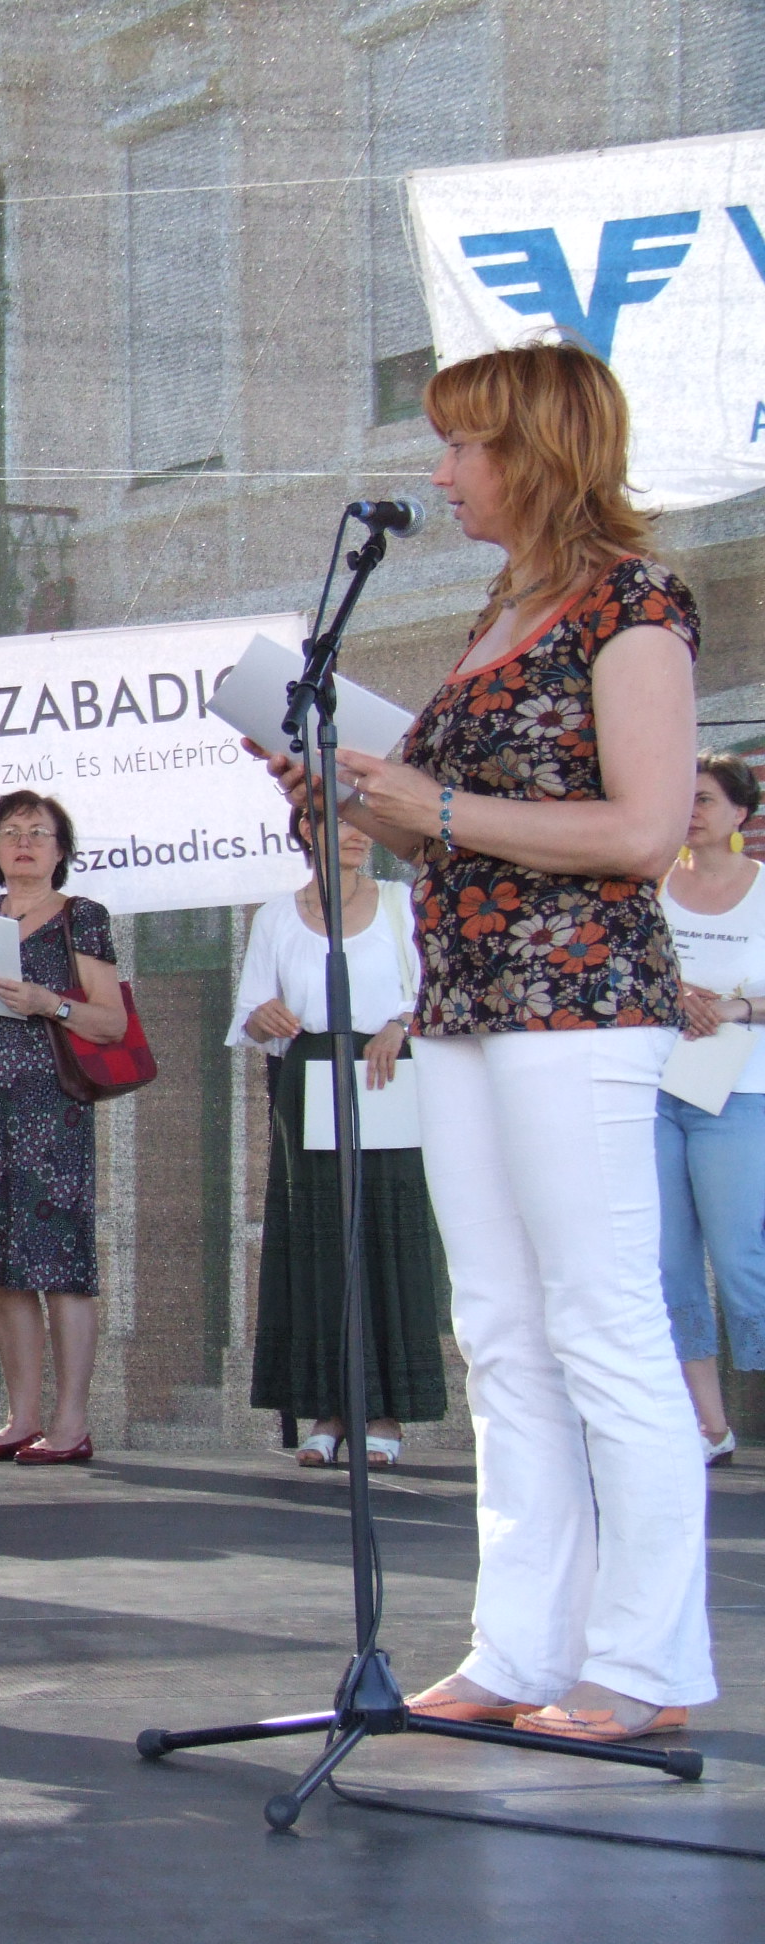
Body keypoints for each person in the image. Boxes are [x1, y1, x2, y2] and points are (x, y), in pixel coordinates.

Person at [254, 341, 708, 1743]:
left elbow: (645, 830)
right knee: (500, 1332)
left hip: (578, 999)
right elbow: (457, 823)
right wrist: (346, 797)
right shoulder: (504, 609)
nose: (442, 473)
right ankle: (519, 1644)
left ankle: (647, 1663)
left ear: (537, 451)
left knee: (603, 1324)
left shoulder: (634, 605)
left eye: (464, 446)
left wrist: (435, 811)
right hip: (462, 1001)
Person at [228, 803, 447, 1466]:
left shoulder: (401, 902)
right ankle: (327, 1406)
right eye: (341, 822)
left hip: (385, 1070)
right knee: (318, 1239)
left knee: (385, 1233)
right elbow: (250, 1019)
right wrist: (265, 1017)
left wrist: (400, 1024)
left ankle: (385, 1411)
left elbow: (438, 984)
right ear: (307, 831)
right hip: (309, 1076)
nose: (357, 836)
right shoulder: (275, 916)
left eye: (365, 824)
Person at [0, 791, 126, 1466]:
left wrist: (47, 1002)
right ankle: (21, 1418)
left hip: (51, 1113)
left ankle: (70, 1424)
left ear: (61, 849)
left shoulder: (80, 917)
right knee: (5, 1271)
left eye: (39, 832)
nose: (25, 842)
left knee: (61, 1269)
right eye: (11, 832)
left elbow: (111, 1022)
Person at [657, 753, 765, 1465]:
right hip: (653, 1086)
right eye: (683, 798)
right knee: (668, 1263)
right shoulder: (652, 882)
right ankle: (709, 1426)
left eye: (704, 799)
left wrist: (736, 1007)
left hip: (738, 1090)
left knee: (741, 1256)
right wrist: (671, 992)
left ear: (739, 814)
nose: (690, 811)